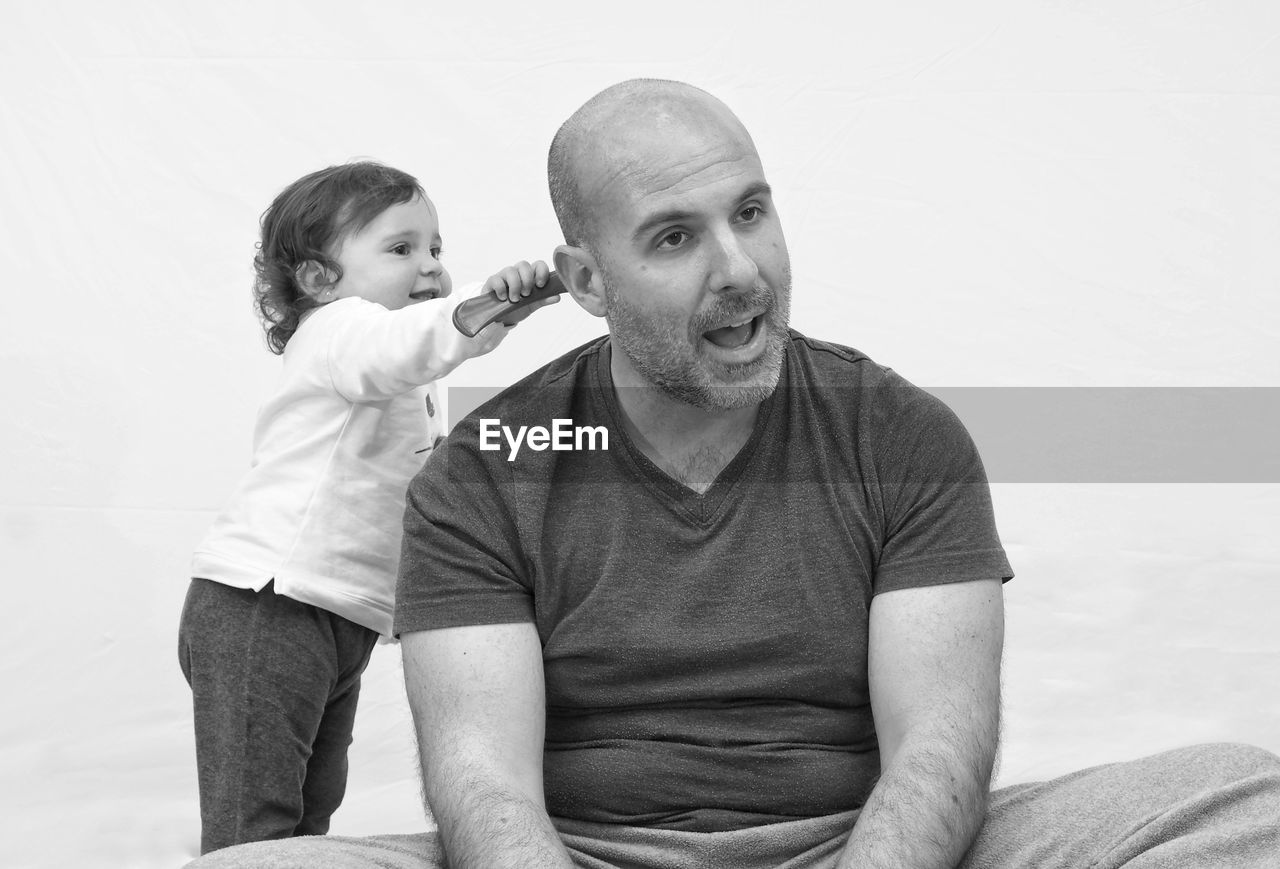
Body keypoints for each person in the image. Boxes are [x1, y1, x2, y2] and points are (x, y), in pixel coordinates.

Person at [186, 83, 1280, 868]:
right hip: (577, 847)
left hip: (865, 843)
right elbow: (486, 788)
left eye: (749, 212)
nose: (741, 268)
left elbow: (935, 749)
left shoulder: (899, 434)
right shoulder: (486, 465)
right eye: (672, 238)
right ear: (585, 279)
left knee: (1241, 795)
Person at [178, 160, 556, 855]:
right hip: (268, 603)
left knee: (312, 806)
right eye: (401, 247)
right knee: (251, 825)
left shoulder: (383, 371)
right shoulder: (340, 331)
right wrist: (482, 303)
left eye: (436, 247)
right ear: (319, 280)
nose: (431, 264)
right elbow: (407, 345)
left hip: (335, 614)